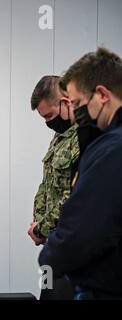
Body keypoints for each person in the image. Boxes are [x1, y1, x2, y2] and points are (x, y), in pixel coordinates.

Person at [39, 47, 122, 299]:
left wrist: (48, 256)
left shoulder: (112, 149)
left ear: (101, 95)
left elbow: (84, 229)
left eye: (76, 103)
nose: (75, 114)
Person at [28, 75, 79, 300]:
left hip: (73, 248)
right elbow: (46, 185)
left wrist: (42, 228)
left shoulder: (86, 138)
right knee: (47, 295)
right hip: (51, 246)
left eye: (49, 115)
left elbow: (73, 197)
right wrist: (38, 224)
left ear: (66, 103)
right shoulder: (60, 138)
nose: (48, 122)